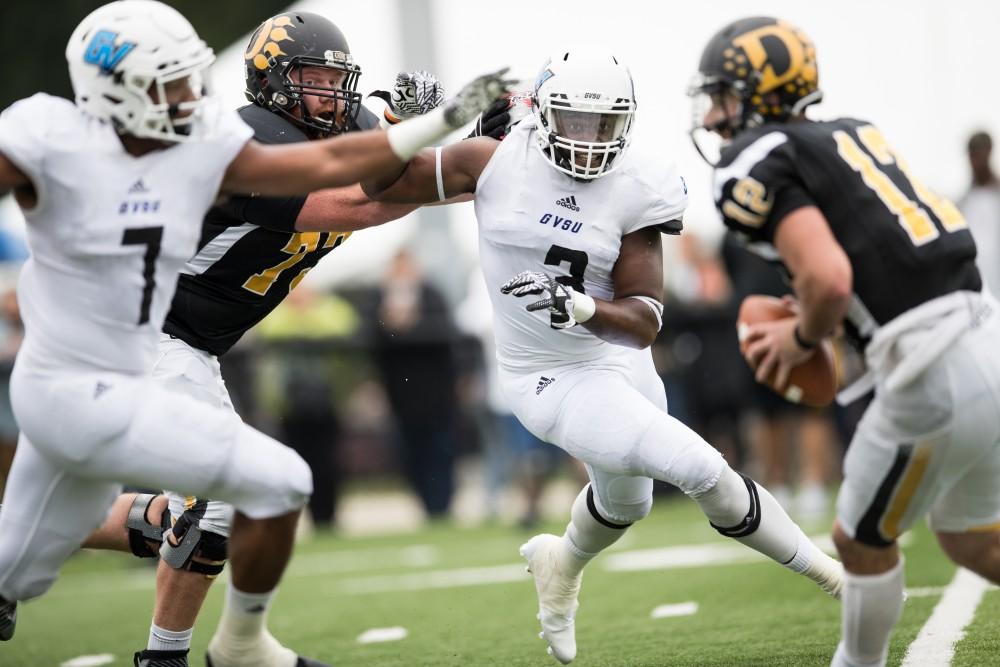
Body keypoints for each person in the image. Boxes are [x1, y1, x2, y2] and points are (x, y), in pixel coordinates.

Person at [0, 2, 511, 667]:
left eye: (193, 78)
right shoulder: (61, 134)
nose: (193, 96)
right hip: (126, 348)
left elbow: (390, 177)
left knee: (34, 552)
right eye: (173, 83)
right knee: (223, 502)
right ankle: (195, 652)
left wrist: (455, 143)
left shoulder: (209, 142)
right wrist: (429, 142)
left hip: (174, 347)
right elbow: (352, 200)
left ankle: (196, 599)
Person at [364, 49, 842, 665]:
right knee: (700, 468)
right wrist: (409, 123)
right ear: (541, 115)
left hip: (614, 356)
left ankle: (560, 564)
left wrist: (584, 308)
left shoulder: (640, 182)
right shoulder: (494, 160)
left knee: (627, 504)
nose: (590, 141)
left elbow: (644, 321)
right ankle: (836, 579)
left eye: (604, 125)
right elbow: (380, 183)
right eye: (576, 122)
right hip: (545, 376)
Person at [690, 16, 1000, 667]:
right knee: (976, 543)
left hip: (929, 363)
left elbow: (829, 278)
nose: (714, 113)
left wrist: (802, 335)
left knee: (858, 540)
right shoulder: (852, 131)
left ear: (753, 93)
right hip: (986, 331)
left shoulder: (753, 161)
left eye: (722, 94)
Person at [958, 131, 1000, 294]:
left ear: (989, 151)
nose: (975, 161)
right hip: (977, 294)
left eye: (979, 153)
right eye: (972, 154)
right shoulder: (962, 204)